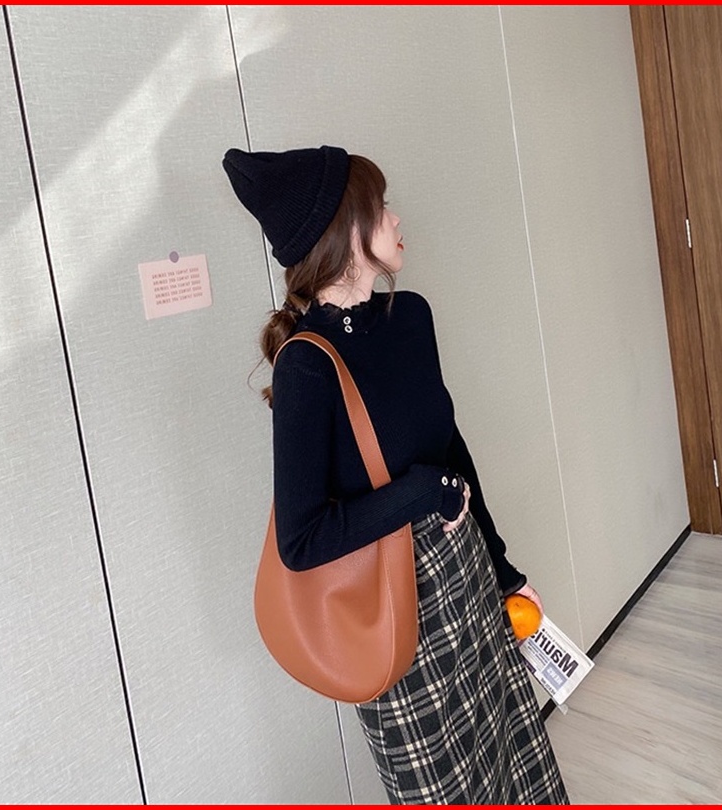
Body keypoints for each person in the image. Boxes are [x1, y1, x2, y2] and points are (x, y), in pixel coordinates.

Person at [222, 144, 569, 805]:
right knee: (444, 789)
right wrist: (420, 492)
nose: (396, 217)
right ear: (344, 230)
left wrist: (502, 569)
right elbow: (302, 539)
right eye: (380, 207)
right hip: (391, 609)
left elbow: (451, 447)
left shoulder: (409, 316)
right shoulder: (306, 365)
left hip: (464, 573)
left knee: (507, 748)